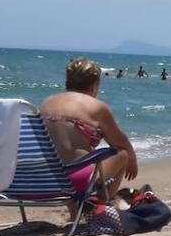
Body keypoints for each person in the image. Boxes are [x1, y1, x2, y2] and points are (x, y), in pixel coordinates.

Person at [40, 57, 138, 210]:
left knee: (71, 158)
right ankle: (98, 206)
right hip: (75, 180)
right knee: (122, 154)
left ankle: (75, 213)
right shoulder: (96, 107)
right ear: (95, 85)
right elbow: (120, 142)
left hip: (44, 177)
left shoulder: (47, 102)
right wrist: (132, 160)